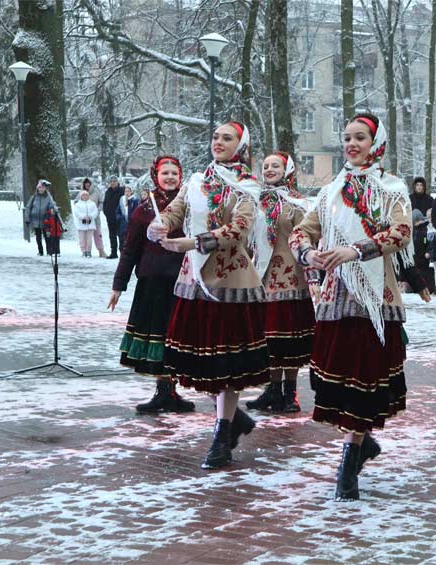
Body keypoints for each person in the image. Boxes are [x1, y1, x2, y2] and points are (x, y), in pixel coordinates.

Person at [289, 112, 412, 500]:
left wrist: (355, 250)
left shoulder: (392, 188)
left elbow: (401, 233)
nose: (351, 144)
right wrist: (308, 253)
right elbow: (303, 230)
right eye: (347, 138)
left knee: (363, 378)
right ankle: (359, 444)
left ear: (377, 144)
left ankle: (349, 458)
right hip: (334, 298)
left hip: (375, 299)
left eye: (360, 137)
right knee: (336, 378)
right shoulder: (330, 190)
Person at [147, 121, 271, 469]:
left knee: (227, 362)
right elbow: (177, 210)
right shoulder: (197, 181)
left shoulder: (247, 186)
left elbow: (238, 230)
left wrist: (189, 242)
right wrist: (161, 224)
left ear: (241, 146)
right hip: (194, 281)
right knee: (208, 360)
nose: (218, 142)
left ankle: (222, 433)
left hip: (229, 284)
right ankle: (232, 420)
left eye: (226, 138)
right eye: (215, 137)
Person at [108, 156, 195, 414]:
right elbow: (129, 250)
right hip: (153, 284)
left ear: (181, 177)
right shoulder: (143, 210)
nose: (169, 177)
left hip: (184, 283)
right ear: (155, 176)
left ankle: (174, 389)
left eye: (174, 173)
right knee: (159, 337)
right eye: (164, 173)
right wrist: (118, 285)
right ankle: (163, 391)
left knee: (178, 337)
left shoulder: (190, 207)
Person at [246, 151, 317, 414]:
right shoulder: (257, 201)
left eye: (276, 165)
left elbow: (306, 238)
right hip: (263, 278)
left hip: (291, 278)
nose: (269, 169)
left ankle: (290, 393)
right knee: (269, 338)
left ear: (288, 170)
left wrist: (312, 275)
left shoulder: (298, 203)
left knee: (290, 338)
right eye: (265, 166)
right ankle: (272, 389)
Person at [24, 179, 58, 256]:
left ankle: (49, 251)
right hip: (35, 220)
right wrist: (27, 219)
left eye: (43, 187)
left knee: (47, 237)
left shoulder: (48, 197)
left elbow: (51, 206)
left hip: (45, 221)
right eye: (40, 187)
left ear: (45, 188)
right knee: (38, 237)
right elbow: (28, 207)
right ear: (37, 188)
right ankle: (40, 251)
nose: (41, 189)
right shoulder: (34, 197)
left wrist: (51, 210)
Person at [76, 178, 107, 257]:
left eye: (88, 183)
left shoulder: (96, 191)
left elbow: (101, 202)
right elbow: (76, 202)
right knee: (84, 237)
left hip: (95, 217)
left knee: (98, 234)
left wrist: (97, 210)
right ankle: (85, 251)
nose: (87, 184)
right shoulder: (81, 192)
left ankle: (101, 250)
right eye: (85, 183)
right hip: (83, 220)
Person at [412, 209, 436, 291]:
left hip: (425, 258)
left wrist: (428, 252)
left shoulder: (426, 229)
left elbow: (429, 242)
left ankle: (429, 288)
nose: (418, 223)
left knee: (426, 274)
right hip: (417, 258)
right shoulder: (414, 231)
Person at [103, 175, 123, 258]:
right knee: (112, 236)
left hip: (119, 218)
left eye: (114, 181)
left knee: (121, 236)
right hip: (110, 218)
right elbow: (105, 203)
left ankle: (122, 253)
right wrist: (106, 213)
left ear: (117, 182)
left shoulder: (122, 191)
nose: (113, 183)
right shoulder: (108, 191)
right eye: (111, 182)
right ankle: (113, 252)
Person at [73, 190, 98, 257]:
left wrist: (90, 216)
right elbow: (77, 213)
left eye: (86, 195)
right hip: (81, 224)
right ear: (81, 196)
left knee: (89, 239)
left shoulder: (92, 204)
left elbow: (95, 212)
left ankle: (88, 251)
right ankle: (83, 251)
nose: (85, 197)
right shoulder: (78, 204)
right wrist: (83, 217)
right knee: (82, 239)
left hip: (90, 224)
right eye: (83, 195)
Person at [114, 186, 138, 251]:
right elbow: (117, 211)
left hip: (131, 223)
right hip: (122, 224)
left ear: (131, 192)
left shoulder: (135, 200)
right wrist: (120, 217)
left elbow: (137, 211)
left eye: (128, 191)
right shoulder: (122, 200)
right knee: (122, 240)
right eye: (125, 191)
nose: (127, 193)